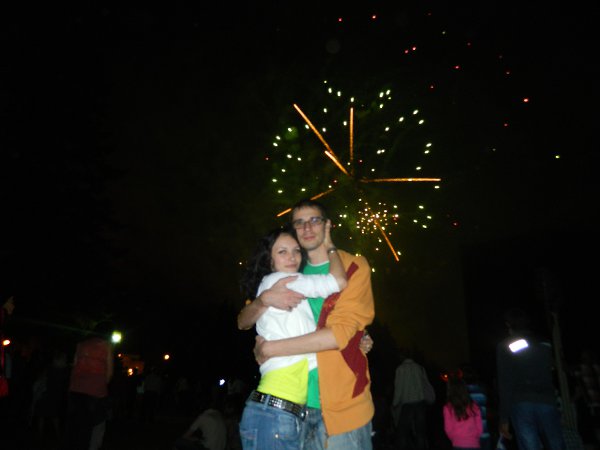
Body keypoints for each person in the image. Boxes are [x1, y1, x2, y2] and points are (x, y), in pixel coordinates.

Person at [238, 198, 375, 450]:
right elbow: (244, 320)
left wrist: (270, 348)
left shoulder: (354, 266)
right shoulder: (286, 273)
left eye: (314, 220)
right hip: (295, 409)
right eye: (299, 223)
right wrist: (263, 300)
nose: (307, 228)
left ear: (327, 225)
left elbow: (338, 335)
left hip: (342, 405)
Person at [496, 306, 566, 450]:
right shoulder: (545, 343)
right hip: (547, 400)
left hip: (521, 402)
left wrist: (504, 418)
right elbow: (552, 370)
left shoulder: (505, 346)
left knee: (530, 446)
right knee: (556, 444)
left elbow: (505, 382)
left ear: (508, 324)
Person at [65, 321, 114, 450]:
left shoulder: (81, 345)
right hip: (95, 392)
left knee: (75, 426)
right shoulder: (106, 346)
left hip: (76, 389)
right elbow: (109, 373)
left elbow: (74, 366)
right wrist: (101, 386)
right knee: (95, 426)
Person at [391, 350, 435, 449]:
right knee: (420, 432)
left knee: (403, 432)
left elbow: (399, 389)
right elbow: (425, 384)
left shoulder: (400, 369)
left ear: (402, 357)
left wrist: (395, 403)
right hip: (420, 403)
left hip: (407, 404)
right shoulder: (419, 368)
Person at [443, 373, 483, 449]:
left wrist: (455, 439)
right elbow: (479, 427)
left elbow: (448, 429)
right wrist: (474, 438)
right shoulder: (473, 405)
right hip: (474, 444)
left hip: (458, 444)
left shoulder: (448, 408)